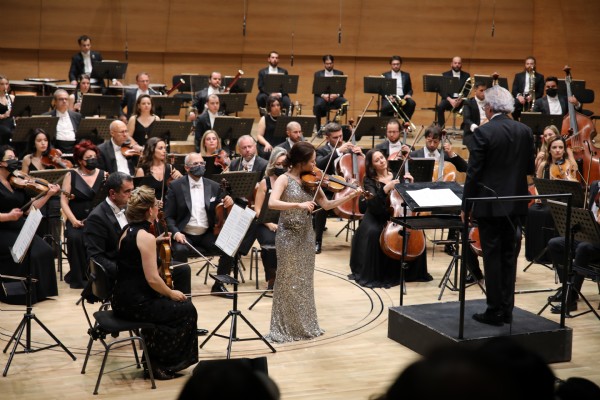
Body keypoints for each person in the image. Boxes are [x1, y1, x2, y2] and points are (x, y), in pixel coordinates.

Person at [266, 141, 362, 342]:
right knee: (286, 281)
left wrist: (350, 195)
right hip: (287, 235)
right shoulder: (284, 179)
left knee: (304, 281)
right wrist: (298, 205)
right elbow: (272, 203)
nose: (315, 165)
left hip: (306, 236)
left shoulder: (313, 180)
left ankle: (305, 326)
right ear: (300, 162)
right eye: (311, 161)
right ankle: (283, 328)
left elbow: (326, 205)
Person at [462, 85, 535, 326]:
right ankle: (507, 310)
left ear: (490, 108)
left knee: (492, 258)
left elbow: (473, 174)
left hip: (489, 205)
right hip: (516, 205)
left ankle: (494, 311)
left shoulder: (483, 133)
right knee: (509, 257)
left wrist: (466, 205)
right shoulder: (525, 131)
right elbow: (529, 168)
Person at [112, 185, 198, 380]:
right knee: (186, 309)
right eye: (155, 206)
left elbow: (133, 258)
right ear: (149, 211)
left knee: (171, 307)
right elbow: (152, 279)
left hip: (121, 299)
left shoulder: (126, 231)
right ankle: (162, 364)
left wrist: (155, 242)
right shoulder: (146, 237)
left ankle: (153, 360)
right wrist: (171, 293)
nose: (158, 208)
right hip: (136, 304)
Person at [349, 149, 431, 287]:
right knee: (374, 233)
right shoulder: (369, 180)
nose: (381, 161)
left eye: (382, 157)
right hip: (377, 215)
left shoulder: (397, 174)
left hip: (397, 213)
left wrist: (410, 185)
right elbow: (373, 205)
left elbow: (407, 199)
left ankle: (411, 273)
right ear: (372, 165)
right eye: (377, 160)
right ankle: (378, 273)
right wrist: (385, 189)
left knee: (415, 230)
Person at [164, 152, 235, 296]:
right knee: (180, 250)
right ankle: (183, 291)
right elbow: (168, 216)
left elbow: (221, 208)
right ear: (187, 168)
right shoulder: (176, 186)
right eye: (195, 164)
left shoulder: (214, 186)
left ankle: (219, 285)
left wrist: (228, 202)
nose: (200, 166)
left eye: (202, 163)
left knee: (229, 247)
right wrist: (176, 233)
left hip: (206, 233)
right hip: (184, 234)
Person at [0, 145, 60, 304]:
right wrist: (8, 216)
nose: (15, 160)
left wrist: (48, 195)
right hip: (3, 230)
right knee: (25, 255)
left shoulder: (15, 181)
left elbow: (29, 209)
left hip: (19, 227)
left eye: (15, 157)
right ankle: (19, 294)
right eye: (10, 158)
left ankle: (41, 293)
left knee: (46, 250)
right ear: (1, 163)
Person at [546, 180, 600, 314]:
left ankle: (570, 298)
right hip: (590, 236)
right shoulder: (595, 186)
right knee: (555, 244)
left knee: (583, 247)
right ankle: (567, 288)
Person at [61, 140, 106, 289]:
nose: (92, 160)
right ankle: (79, 276)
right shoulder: (71, 175)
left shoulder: (104, 174)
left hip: (97, 220)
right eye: (88, 158)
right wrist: (73, 220)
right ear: (80, 160)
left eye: (94, 157)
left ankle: (99, 274)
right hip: (77, 220)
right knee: (75, 238)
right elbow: (63, 201)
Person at [314, 122, 363, 254]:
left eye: (341, 136)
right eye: (335, 137)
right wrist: (337, 151)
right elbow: (319, 165)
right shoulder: (321, 151)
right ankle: (317, 241)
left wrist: (361, 155)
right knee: (322, 207)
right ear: (327, 138)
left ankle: (362, 241)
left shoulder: (350, 149)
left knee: (365, 203)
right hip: (330, 189)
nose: (340, 140)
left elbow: (362, 167)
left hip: (350, 187)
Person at [84, 172, 133, 279]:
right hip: (116, 275)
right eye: (127, 191)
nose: (131, 195)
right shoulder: (97, 218)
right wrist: (127, 271)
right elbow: (96, 258)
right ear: (112, 193)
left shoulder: (128, 207)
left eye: (132, 190)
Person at [253, 147, 287, 289]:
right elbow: (257, 209)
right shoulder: (265, 182)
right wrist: (268, 223)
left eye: (284, 164)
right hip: (265, 222)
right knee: (270, 244)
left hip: (284, 221)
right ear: (272, 164)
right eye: (278, 164)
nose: (281, 167)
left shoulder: (290, 182)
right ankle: (272, 277)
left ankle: (286, 277)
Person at [135, 137, 182, 202]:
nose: (164, 151)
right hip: (149, 206)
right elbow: (137, 197)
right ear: (152, 150)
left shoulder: (170, 168)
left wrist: (180, 177)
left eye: (165, 148)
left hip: (168, 206)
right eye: (160, 148)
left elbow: (180, 190)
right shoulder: (142, 171)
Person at [313, 55, 348, 131]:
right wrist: (324, 96)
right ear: (324, 64)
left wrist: (336, 95)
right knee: (317, 106)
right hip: (323, 97)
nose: (329, 65)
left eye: (330, 63)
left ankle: (333, 124)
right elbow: (316, 88)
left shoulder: (339, 73)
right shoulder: (318, 74)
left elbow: (343, 88)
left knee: (345, 103)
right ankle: (318, 130)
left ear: (333, 63)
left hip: (335, 98)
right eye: (327, 63)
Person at [43, 89, 82, 153]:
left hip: (75, 150)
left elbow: (81, 136)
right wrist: (52, 150)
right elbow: (44, 138)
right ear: (55, 102)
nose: (64, 101)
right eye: (61, 99)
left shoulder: (77, 116)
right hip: (56, 149)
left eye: (66, 99)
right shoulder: (47, 117)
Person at [436, 56, 471, 128]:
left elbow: (467, 90)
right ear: (451, 64)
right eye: (455, 63)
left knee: (471, 105)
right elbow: (441, 91)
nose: (457, 65)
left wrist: (460, 99)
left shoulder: (466, 75)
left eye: (459, 63)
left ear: (461, 64)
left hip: (461, 100)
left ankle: (464, 127)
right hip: (448, 99)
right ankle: (441, 128)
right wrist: (451, 100)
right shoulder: (445, 75)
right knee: (440, 107)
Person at [461, 81, 488, 150]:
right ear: (475, 90)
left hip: (488, 131)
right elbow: (466, 119)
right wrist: (476, 128)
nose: (484, 93)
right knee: (477, 148)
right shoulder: (468, 102)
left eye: (485, 90)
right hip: (472, 133)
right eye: (481, 90)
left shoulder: (490, 103)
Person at [0, 75, 15, 145]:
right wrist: (3, 115)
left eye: (6, 84)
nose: (5, 86)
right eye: (2, 84)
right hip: (1, 122)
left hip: (10, 121)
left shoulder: (11, 97)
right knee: (8, 132)